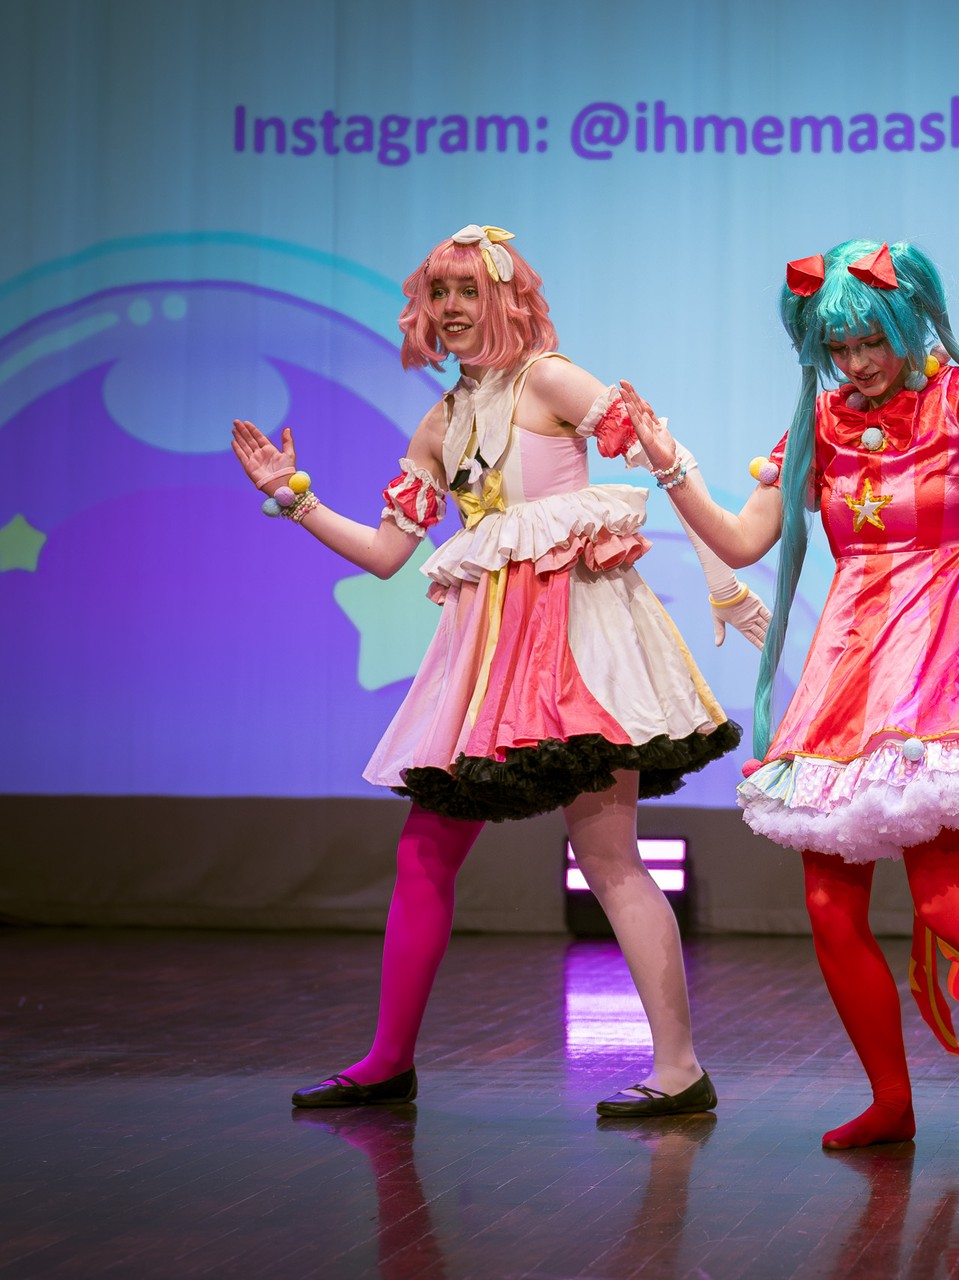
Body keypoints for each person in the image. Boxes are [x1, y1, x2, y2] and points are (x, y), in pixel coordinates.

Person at [614, 240, 959, 1154]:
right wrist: (670, 464)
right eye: (840, 348)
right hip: (849, 676)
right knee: (830, 905)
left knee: (947, 901)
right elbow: (744, 540)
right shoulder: (822, 421)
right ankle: (890, 1100)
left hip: (945, 668)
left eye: (872, 340)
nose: (858, 362)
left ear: (910, 322)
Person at [229, 224, 764, 1116]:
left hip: (576, 646)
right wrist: (294, 497)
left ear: (506, 299)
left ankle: (680, 1068)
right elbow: (387, 554)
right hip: (486, 663)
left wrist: (725, 565)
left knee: (608, 855)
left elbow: (663, 459)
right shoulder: (440, 424)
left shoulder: (550, 380)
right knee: (424, 848)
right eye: (438, 293)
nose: (451, 308)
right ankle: (387, 1061)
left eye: (468, 291)